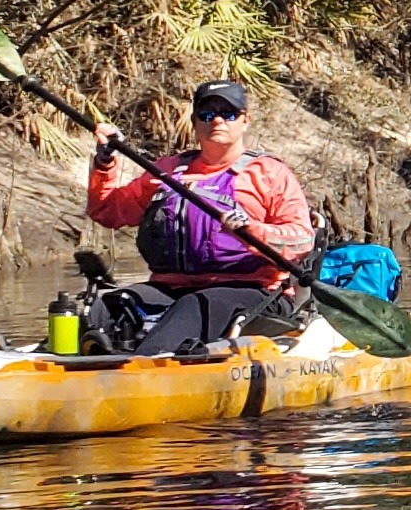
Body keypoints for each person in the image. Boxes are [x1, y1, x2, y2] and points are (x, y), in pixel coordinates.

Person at [88, 78, 315, 353]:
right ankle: (89, 361)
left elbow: (302, 241)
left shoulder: (269, 174)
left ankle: (143, 365)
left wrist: (253, 231)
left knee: (196, 305)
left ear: (245, 121)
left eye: (228, 113)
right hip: (171, 287)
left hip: (255, 290)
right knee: (110, 304)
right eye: (207, 114)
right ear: (195, 123)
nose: (217, 121)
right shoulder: (167, 172)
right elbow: (108, 211)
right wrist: (104, 163)